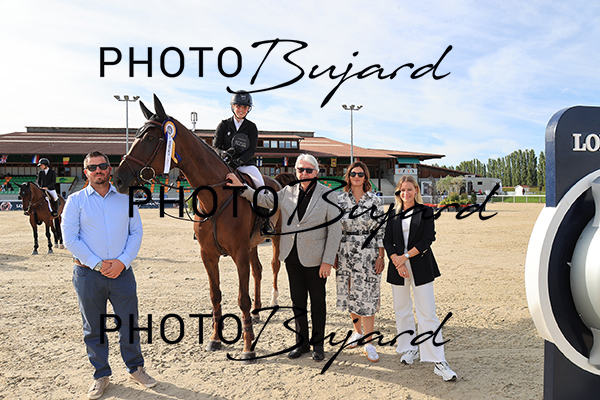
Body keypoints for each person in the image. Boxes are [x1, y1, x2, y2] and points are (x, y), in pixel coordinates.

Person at [226, 153, 342, 361]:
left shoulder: (327, 194)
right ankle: (301, 344)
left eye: (308, 170)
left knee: (317, 303)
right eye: (300, 170)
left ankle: (318, 345)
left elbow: (334, 231)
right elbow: (264, 199)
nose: (304, 173)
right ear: (296, 172)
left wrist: (327, 260)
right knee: (298, 302)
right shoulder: (287, 192)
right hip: (291, 256)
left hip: (316, 260)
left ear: (316, 173)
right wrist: (241, 188)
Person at [61, 151, 157, 399]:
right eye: (93, 167)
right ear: (86, 172)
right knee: (94, 327)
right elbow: (70, 239)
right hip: (88, 275)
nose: (98, 170)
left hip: (122, 273)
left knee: (130, 323)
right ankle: (100, 374)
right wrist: (98, 264)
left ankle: (135, 368)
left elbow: (136, 232)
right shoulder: (75, 201)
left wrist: (122, 262)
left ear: (110, 169)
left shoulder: (126, 199)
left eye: (102, 166)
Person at [384, 175, 457, 381]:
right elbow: (387, 240)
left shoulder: (425, 211)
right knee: (402, 310)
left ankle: (438, 361)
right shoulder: (393, 212)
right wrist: (398, 262)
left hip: (420, 265)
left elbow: (428, 238)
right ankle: (409, 348)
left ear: (416, 190)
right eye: (402, 190)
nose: (405, 193)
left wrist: (405, 257)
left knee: (427, 313)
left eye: (409, 189)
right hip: (398, 267)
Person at [335, 161, 385, 362]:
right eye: (353, 173)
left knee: (368, 295)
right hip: (345, 251)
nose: (356, 177)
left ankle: (369, 342)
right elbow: (335, 229)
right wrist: (334, 255)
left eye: (360, 174)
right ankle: (357, 332)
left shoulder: (375, 200)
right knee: (350, 294)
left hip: (368, 252)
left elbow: (380, 229)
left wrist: (381, 256)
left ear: (365, 177)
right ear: (348, 176)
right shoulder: (339, 200)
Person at [213, 90, 274, 235]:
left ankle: (266, 222)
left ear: (248, 109)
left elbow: (251, 150)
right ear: (233, 107)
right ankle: (201, 221)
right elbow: (215, 147)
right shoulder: (223, 125)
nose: (241, 109)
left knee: (261, 186)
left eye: (245, 107)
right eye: (238, 106)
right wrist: (223, 153)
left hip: (245, 164)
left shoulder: (251, 127)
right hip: (224, 163)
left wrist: (238, 162)